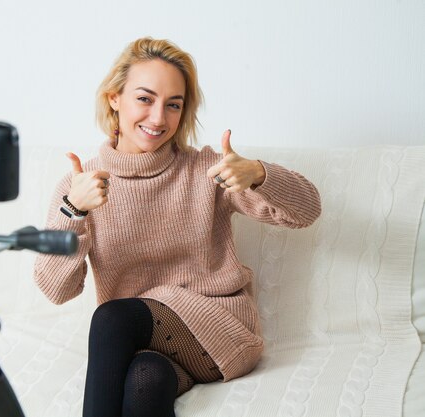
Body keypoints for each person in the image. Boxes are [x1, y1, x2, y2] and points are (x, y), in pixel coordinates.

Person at [33, 37, 321, 417]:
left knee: (112, 317)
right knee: (145, 380)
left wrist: (258, 173)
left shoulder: (206, 170)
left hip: (218, 328)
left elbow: (307, 210)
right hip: (147, 348)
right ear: (114, 98)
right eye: (145, 99)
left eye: (173, 105)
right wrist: (73, 212)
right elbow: (56, 290)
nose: (158, 118)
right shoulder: (82, 186)